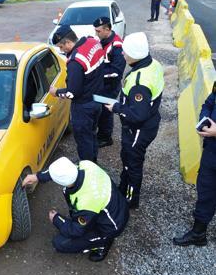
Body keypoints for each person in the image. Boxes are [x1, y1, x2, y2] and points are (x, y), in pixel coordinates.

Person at [22, 156, 129, 261]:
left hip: (111, 227)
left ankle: (102, 244)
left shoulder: (86, 201)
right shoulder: (86, 165)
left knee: (59, 243)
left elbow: (75, 231)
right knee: (75, 221)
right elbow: (62, 170)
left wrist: (56, 219)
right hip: (115, 206)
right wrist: (37, 176)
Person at [105, 32, 164, 209]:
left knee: (133, 163)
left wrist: (116, 107)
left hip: (139, 130)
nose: (122, 54)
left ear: (134, 55)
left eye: (125, 52)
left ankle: (131, 199)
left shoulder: (140, 82)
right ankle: (123, 187)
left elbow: (138, 115)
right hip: (147, 123)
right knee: (127, 158)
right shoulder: (153, 64)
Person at [49, 25, 103, 163]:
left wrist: (56, 92)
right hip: (97, 99)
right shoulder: (92, 43)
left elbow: (72, 93)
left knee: (84, 141)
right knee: (91, 135)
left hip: (83, 107)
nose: (61, 50)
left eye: (61, 47)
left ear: (68, 42)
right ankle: (93, 159)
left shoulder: (75, 62)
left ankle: (88, 168)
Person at [173, 84, 216, 247]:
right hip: (212, 152)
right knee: (206, 191)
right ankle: (198, 233)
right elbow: (210, 102)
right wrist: (204, 120)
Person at [93, 17, 126, 148]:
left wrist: (97, 73)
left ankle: (106, 138)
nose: (96, 34)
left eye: (98, 31)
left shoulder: (117, 46)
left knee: (106, 112)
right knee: (101, 111)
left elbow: (116, 71)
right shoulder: (104, 40)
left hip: (110, 87)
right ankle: (102, 134)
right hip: (103, 85)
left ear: (107, 29)